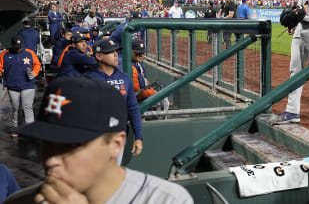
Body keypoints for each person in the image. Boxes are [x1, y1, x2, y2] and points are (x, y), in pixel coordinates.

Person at [4, 77, 194, 204]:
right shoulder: (19, 201)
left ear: (116, 145)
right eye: (47, 144)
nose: (51, 159)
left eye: (70, 146)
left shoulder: (165, 199)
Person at [85, 39, 143, 158]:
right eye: (111, 52)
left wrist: (138, 137)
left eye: (116, 51)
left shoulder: (125, 78)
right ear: (99, 56)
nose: (116, 54)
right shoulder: (87, 80)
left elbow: (133, 108)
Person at [0, 36, 41, 136]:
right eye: (16, 46)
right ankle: (15, 128)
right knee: (15, 108)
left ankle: (30, 129)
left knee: (27, 107)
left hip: (28, 84)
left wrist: (35, 73)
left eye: (19, 46)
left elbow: (37, 64)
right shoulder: (4, 54)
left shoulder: (29, 52)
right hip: (12, 85)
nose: (18, 48)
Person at [131, 39, 169, 110]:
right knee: (162, 101)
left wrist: (152, 91)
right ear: (130, 51)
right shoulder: (130, 67)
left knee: (163, 99)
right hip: (137, 101)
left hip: (142, 96)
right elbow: (137, 92)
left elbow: (145, 81)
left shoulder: (138, 64)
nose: (141, 55)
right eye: (138, 53)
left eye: (143, 53)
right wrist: (153, 93)